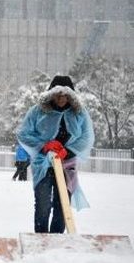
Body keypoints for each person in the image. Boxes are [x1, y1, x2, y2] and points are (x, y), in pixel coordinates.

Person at [17, 75, 94, 233]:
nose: (61, 98)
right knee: (43, 204)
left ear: (71, 96)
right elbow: (24, 133)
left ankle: (57, 243)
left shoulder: (79, 113)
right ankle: (40, 241)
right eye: (58, 94)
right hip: (43, 165)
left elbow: (86, 137)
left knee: (62, 205)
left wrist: (69, 150)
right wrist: (44, 145)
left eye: (65, 94)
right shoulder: (38, 111)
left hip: (67, 164)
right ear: (51, 93)